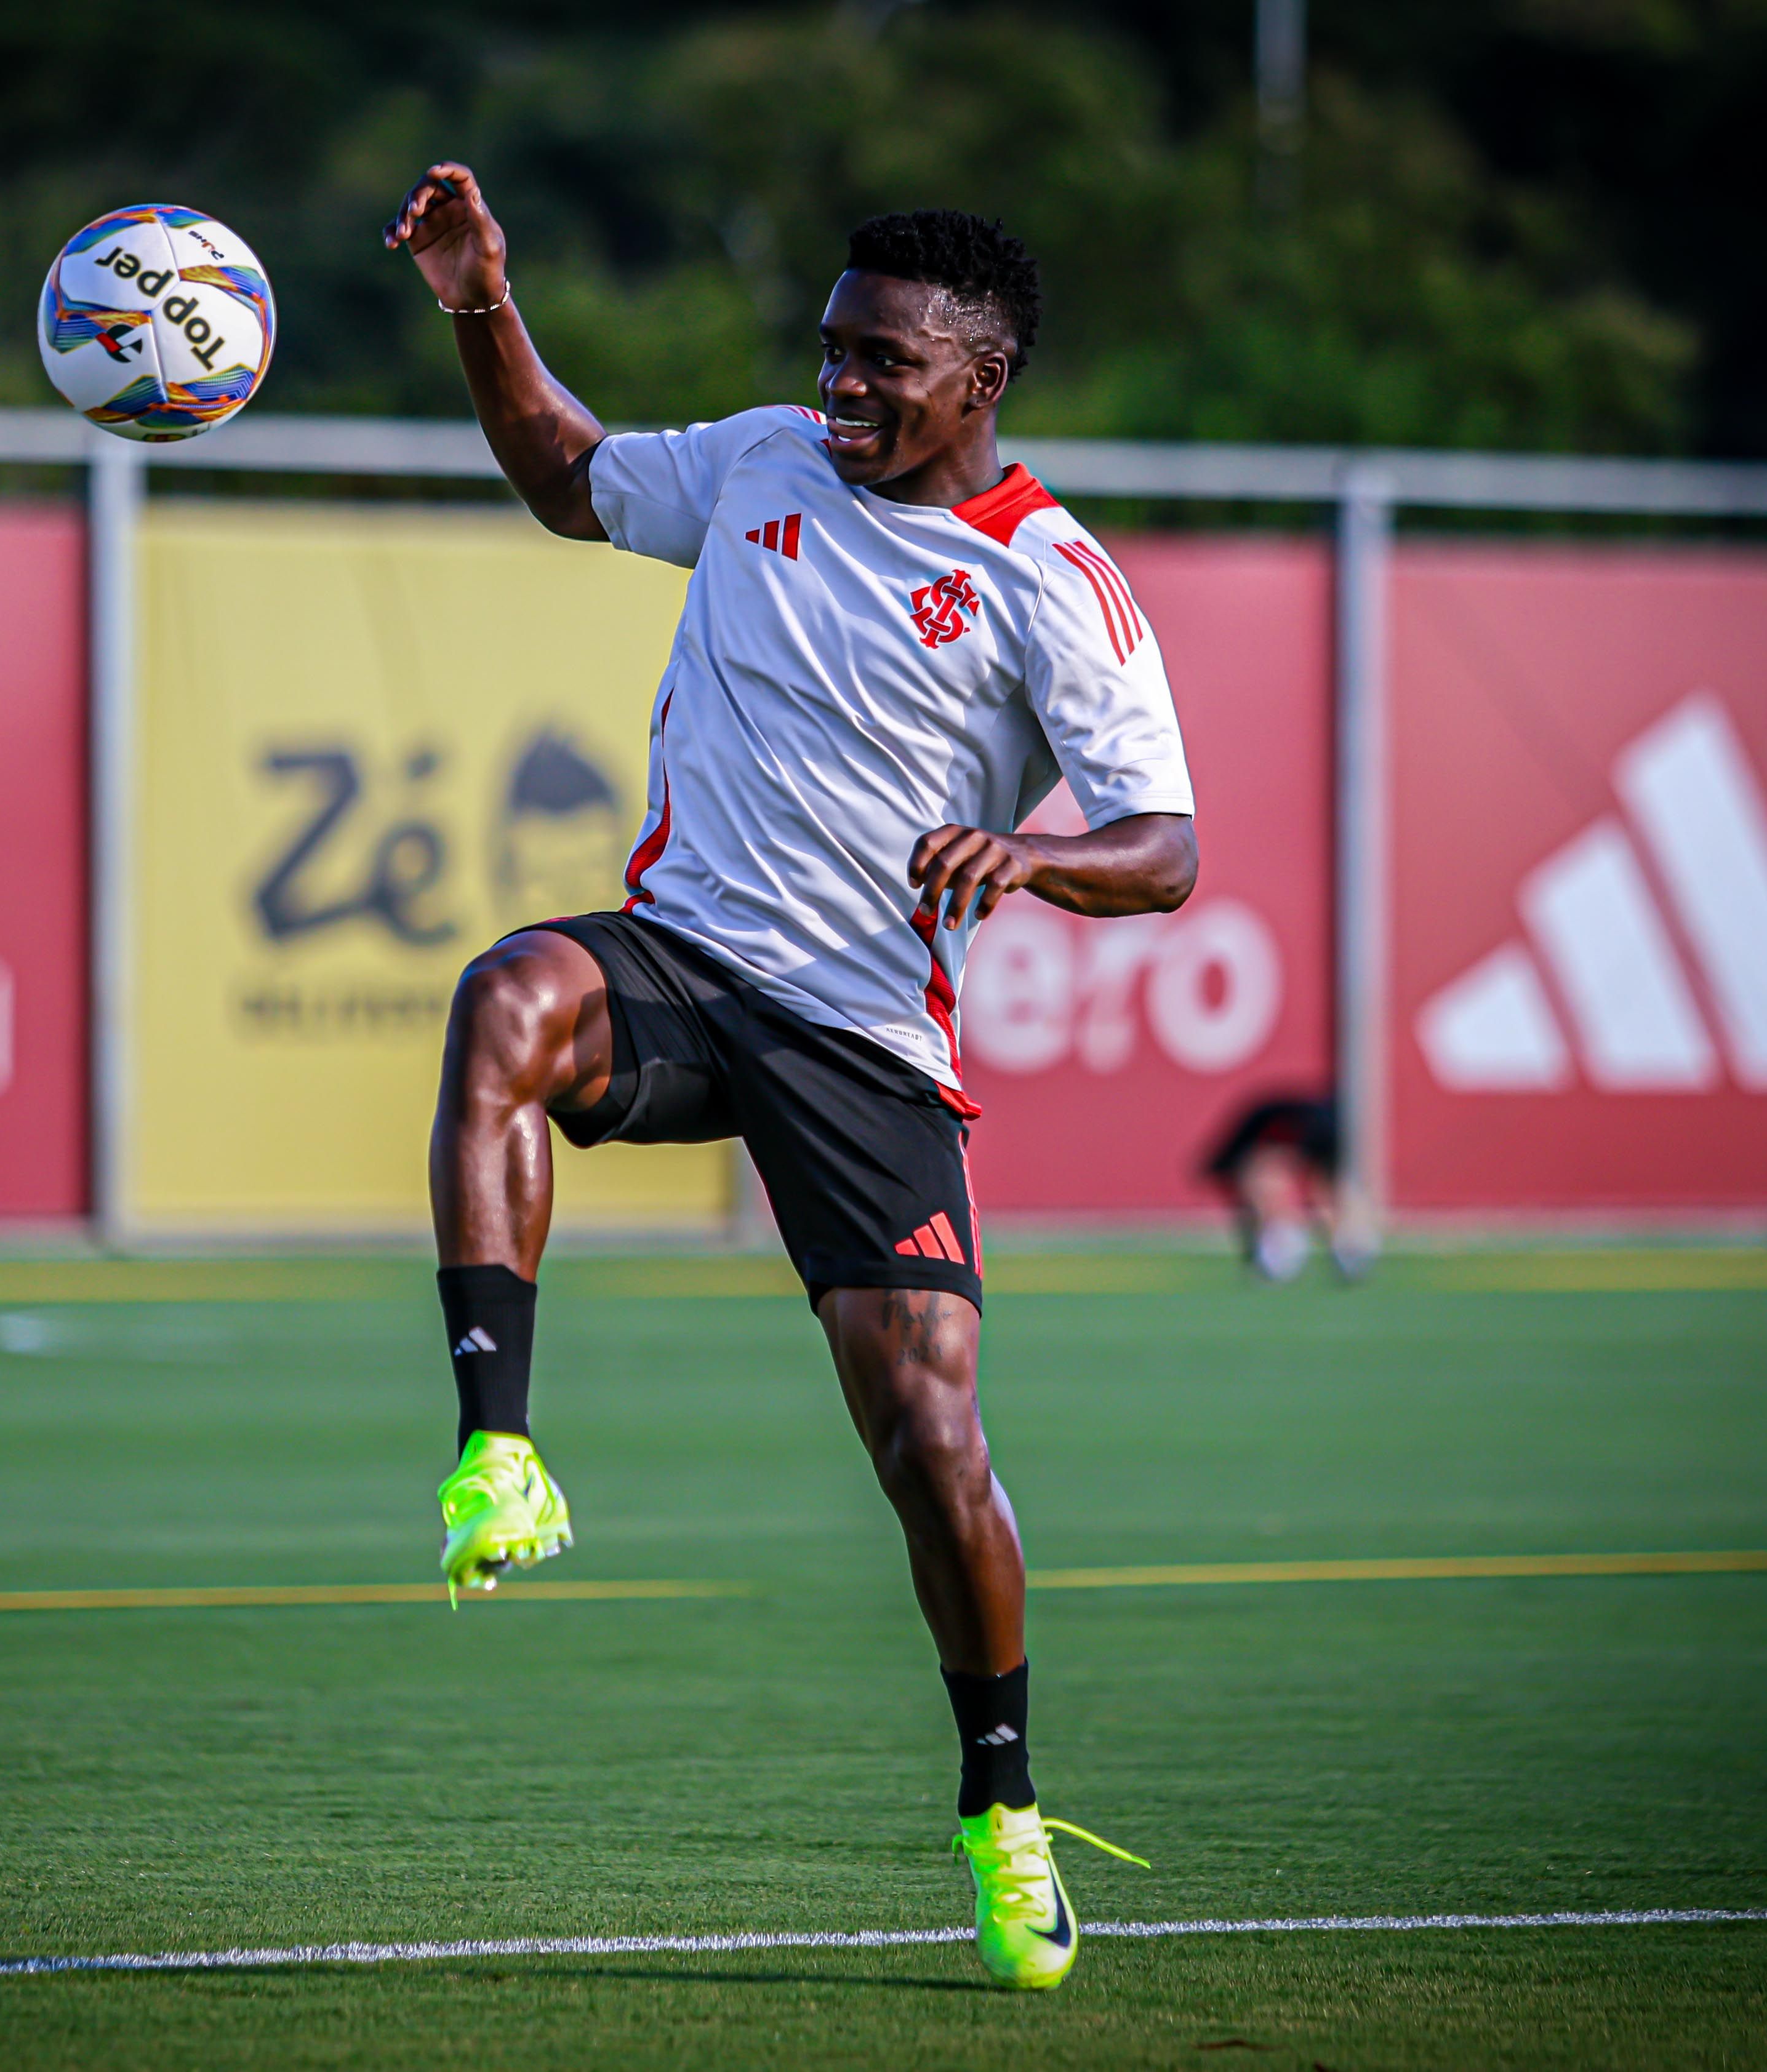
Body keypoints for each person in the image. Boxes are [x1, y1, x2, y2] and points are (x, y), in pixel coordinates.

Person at [386, 163, 1197, 1990]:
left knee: (930, 1445)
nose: (839, 384)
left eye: (882, 362)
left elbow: (1164, 850)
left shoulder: (1052, 580)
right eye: (831, 348)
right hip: (684, 965)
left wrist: (1035, 860)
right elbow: (568, 479)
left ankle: (1003, 1811)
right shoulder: (763, 460)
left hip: (860, 1039)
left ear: (978, 382)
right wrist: (477, 303)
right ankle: (497, 1455)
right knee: (508, 996)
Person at [1200, 1092, 1376, 1283]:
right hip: (1322, 1127)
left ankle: (1293, 1247)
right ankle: (1347, 1249)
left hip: (1311, 1128)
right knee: (1323, 1198)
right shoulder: (1255, 1132)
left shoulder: (1251, 1140)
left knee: (1270, 1188)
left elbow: (1267, 1178)